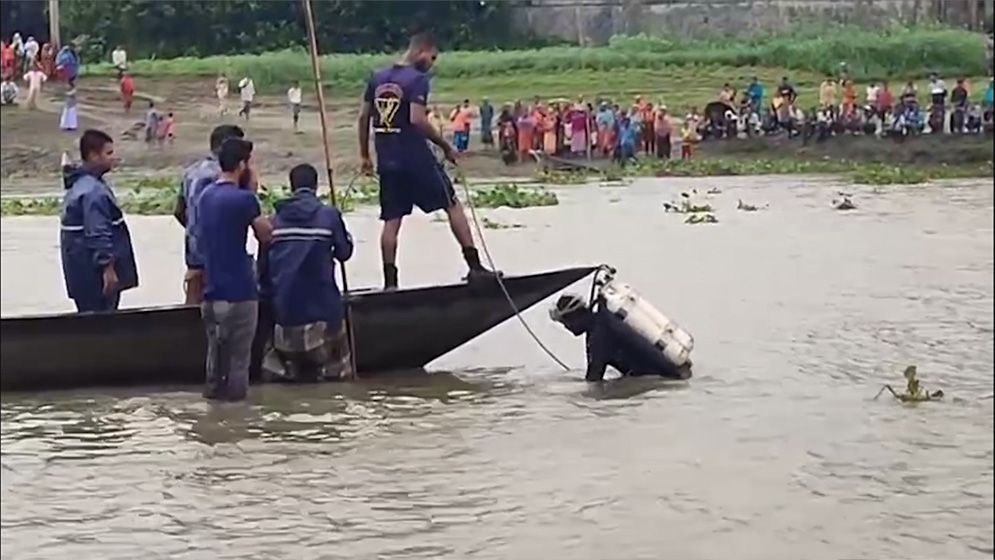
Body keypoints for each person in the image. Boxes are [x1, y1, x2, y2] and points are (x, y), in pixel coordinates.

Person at [357, 32, 498, 290]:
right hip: (416, 158)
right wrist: (446, 146)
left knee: (391, 221)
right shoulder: (417, 79)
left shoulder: (377, 78)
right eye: (432, 58)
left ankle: (390, 283)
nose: (432, 64)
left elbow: (363, 118)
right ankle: (475, 267)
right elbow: (417, 119)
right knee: (452, 204)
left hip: (387, 160)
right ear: (421, 50)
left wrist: (365, 155)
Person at [197, 138, 273, 401]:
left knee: (215, 365)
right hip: (240, 293)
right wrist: (253, 192)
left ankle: (215, 414)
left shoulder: (205, 196)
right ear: (243, 165)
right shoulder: (244, 200)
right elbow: (265, 235)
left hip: (211, 293)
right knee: (238, 364)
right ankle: (237, 417)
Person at [264, 163, 355, 382]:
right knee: (339, 376)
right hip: (324, 315)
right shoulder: (329, 216)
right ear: (315, 186)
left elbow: (263, 272)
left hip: (284, 317)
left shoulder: (272, 222)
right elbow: (344, 253)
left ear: (291, 187)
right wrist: (346, 236)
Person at [60, 129, 138, 313]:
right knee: (101, 319)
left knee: (88, 318)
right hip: (94, 276)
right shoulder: (93, 192)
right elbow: (98, 232)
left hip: (79, 273)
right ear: (93, 156)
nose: (114, 157)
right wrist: (108, 269)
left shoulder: (80, 185)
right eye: (108, 153)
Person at [173, 124, 246, 305]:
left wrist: (193, 231)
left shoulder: (191, 171)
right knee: (224, 309)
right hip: (218, 257)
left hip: (193, 255)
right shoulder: (225, 176)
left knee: (192, 306)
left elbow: (179, 211)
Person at [549, 293, 691, 382]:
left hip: (667, 378)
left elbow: (593, 380)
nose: (565, 327)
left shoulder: (599, 337)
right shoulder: (604, 319)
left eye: (564, 322)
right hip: (679, 371)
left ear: (574, 316)